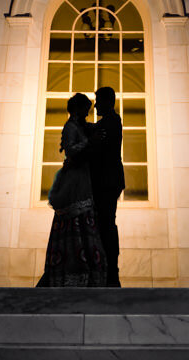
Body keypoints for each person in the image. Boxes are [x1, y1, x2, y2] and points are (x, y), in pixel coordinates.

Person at [37, 92, 106, 287]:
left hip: (82, 177)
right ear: (77, 109)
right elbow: (70, 149)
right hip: (74, 180)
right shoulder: (70, 127)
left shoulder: (80, 126)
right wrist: (89, 142)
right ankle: (73, 269)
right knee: (74, 217)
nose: (88, 113)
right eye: (85, 109)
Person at [89, 85, 125, 287]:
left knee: (106, 226)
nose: (95, 106)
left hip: (107, 182)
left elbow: (97, 145)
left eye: (97, 101)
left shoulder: (110, 123)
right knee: (106, 225)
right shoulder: (109, 122)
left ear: (107, 102)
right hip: (108, 181)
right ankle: (108, 271)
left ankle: (111, 272)